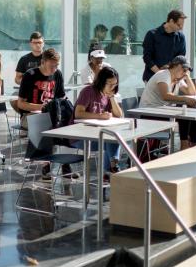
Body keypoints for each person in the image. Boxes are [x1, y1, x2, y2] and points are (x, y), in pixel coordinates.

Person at [17, 48, 74, 178]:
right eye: (51, 66)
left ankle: (65, 163)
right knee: (44, 122)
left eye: (56, 65)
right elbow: (20, 104)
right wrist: (42, 107)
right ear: (43, 62)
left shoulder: (57, 74)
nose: (54, 69)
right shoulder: (30, 75)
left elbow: (61, 97)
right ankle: (45, 164)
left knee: (66, 124)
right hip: (30, 115)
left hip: (52, 114)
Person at [139, 56, 196, 150]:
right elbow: (166, 96)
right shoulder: (164, 75)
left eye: (186, 70)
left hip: (163, 111)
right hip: (150, 112)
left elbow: (192, 93)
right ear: (176, 66)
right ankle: (184, 144)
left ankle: (190, 144)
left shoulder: (178, 78)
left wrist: (187, 77)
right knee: (184, 111)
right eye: (184, 69)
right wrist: (185, 99)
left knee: (193, 112)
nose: (185, 72)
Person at [72, 66, 123, 178]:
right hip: (80, 136)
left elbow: (119, 115)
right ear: (102, 82)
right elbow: (78, 113)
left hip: (96, 135)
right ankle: (112, 168)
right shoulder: (88, 91)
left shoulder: (107, 94)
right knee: (110, 138)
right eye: (110, 84)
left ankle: (110, 169)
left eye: (115, 84)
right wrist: (99, 116)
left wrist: (112, 97)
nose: (112, 87)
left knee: (112, 137)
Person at [142, 10, 187, 83]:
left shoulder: (181, 37)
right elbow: (147, 58)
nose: (181, 28)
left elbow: (181, 59)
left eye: (182, 25)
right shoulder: (152, 34)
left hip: (172, 79)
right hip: (152, 77)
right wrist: (160, 74)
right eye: (178, 25)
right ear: (171, 21)